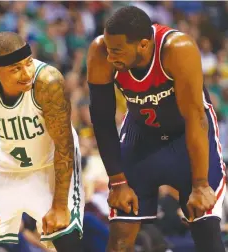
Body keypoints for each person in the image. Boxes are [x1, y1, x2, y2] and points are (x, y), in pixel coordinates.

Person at [87, 6, 226, 252]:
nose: (110, 57)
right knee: (119, 238)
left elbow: (196, 118)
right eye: (108, 49)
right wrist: (117, 182)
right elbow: (102, 119)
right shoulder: (100, 52)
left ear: (143, 44)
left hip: (187, 135)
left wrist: (201, 183)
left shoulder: (177, 49)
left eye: (117, 50)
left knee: (207, 233)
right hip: (142, 136)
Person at [0, 31, 84, 252]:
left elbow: (64, 144)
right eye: (15, 69)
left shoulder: (48, 81)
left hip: (51, 163)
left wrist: (59, 205)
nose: (26, 73)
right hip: (4, 164)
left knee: (67, 241)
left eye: (28, 63)